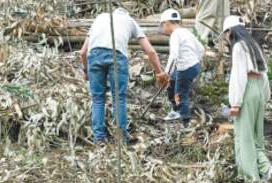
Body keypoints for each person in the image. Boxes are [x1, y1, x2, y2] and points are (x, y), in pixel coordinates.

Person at [80, 8, 169, 145]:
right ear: (126, 14)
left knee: (98, 99)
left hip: (95, 55)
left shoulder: (99, 18)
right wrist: (159, 72)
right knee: (118, 98)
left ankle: (99, 139)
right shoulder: (130, 21)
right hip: (117, 55)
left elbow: (83, 52)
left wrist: (86, 71)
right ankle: (121, 138)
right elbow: (150, 51)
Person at [223, 15, 272, 181]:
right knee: (256, 135)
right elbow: (264, 73)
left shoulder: (239, 47)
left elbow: (238, 76)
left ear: (230, 32)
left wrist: (235, 103)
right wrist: (265, 96)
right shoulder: (254, 45)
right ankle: (266, 169)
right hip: (258, 88)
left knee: (244, 135)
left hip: (247, 90)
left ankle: (250, 176)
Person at [159, 8, 204, 126]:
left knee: (180, 94)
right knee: (171, 84)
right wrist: (195, 61)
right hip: (192, 66)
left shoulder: (175, 35)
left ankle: (186, 122)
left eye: (163, 24)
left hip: (185, 68)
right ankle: (175, 110)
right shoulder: (187, 32)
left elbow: (173, 56)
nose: (163, 27)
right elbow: (201, 49)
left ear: (167, 23)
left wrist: (166, 73)